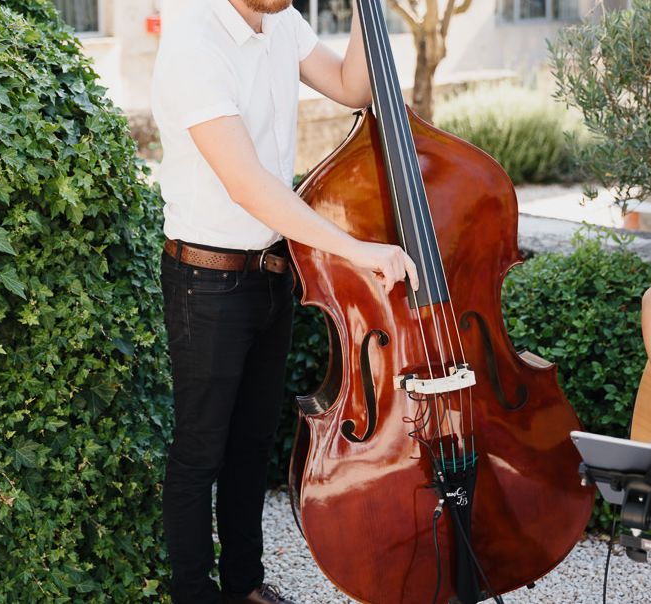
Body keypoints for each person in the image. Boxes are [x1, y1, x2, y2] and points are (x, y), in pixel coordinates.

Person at [151, 0, 419, 602]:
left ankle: (246, 587)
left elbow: (353, 88)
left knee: (251, 447)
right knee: (201, 453)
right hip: (207, 280)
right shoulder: (193, 40)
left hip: (271, 273)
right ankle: (193, 594)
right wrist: (357, 249)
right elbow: (248, 185)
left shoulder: (280, 20)